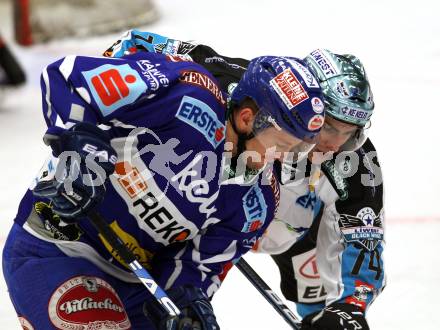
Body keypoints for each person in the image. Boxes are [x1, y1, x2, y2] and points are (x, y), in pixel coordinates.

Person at [2, 40, 325, 329]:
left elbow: (193, 268)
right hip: (56, 244)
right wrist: (82, 148)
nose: (284, 158)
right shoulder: (184, 93)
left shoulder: (259, 201)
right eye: (282, 143)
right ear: (246, 118)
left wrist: (189, 301)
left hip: (135, 285)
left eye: (298, 149)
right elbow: (68, 79)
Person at [104, 30, 385, 329]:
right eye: (329, 127)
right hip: (211, 204)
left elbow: (366, 235)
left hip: (290, 229)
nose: (336, 144)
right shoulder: (252, 86)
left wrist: (352, 304)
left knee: (324, 314)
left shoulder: (354, 160)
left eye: (351, 133)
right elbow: (132, 44)